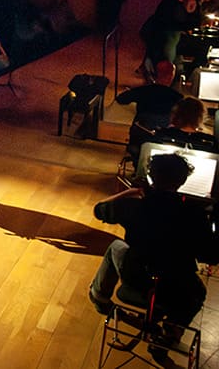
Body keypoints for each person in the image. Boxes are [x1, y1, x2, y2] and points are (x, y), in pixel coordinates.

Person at [88, 152, 218, 361]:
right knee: (197, 292)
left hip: (136, 277)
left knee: (115, 246)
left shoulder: (135, 206)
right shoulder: (195, 215)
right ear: (182, 180)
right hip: (176, 288)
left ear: (151, 176)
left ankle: (99, 296)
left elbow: (98, 210)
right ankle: (170, 334)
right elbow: (211, 256)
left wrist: (129, 193)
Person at [115, 60, 184, 167]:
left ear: (155, 74)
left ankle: (138, 167)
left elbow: (121, 99)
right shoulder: (178, 97)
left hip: (139, 139)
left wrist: (131, 90)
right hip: (165, 143)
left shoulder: (144, 90)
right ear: (171, 76)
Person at [139, 0, 199, 84]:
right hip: (163, 41)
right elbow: (172, 23)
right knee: (165, 70)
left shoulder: (183, 3)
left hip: (172, 41)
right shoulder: (170, 3)